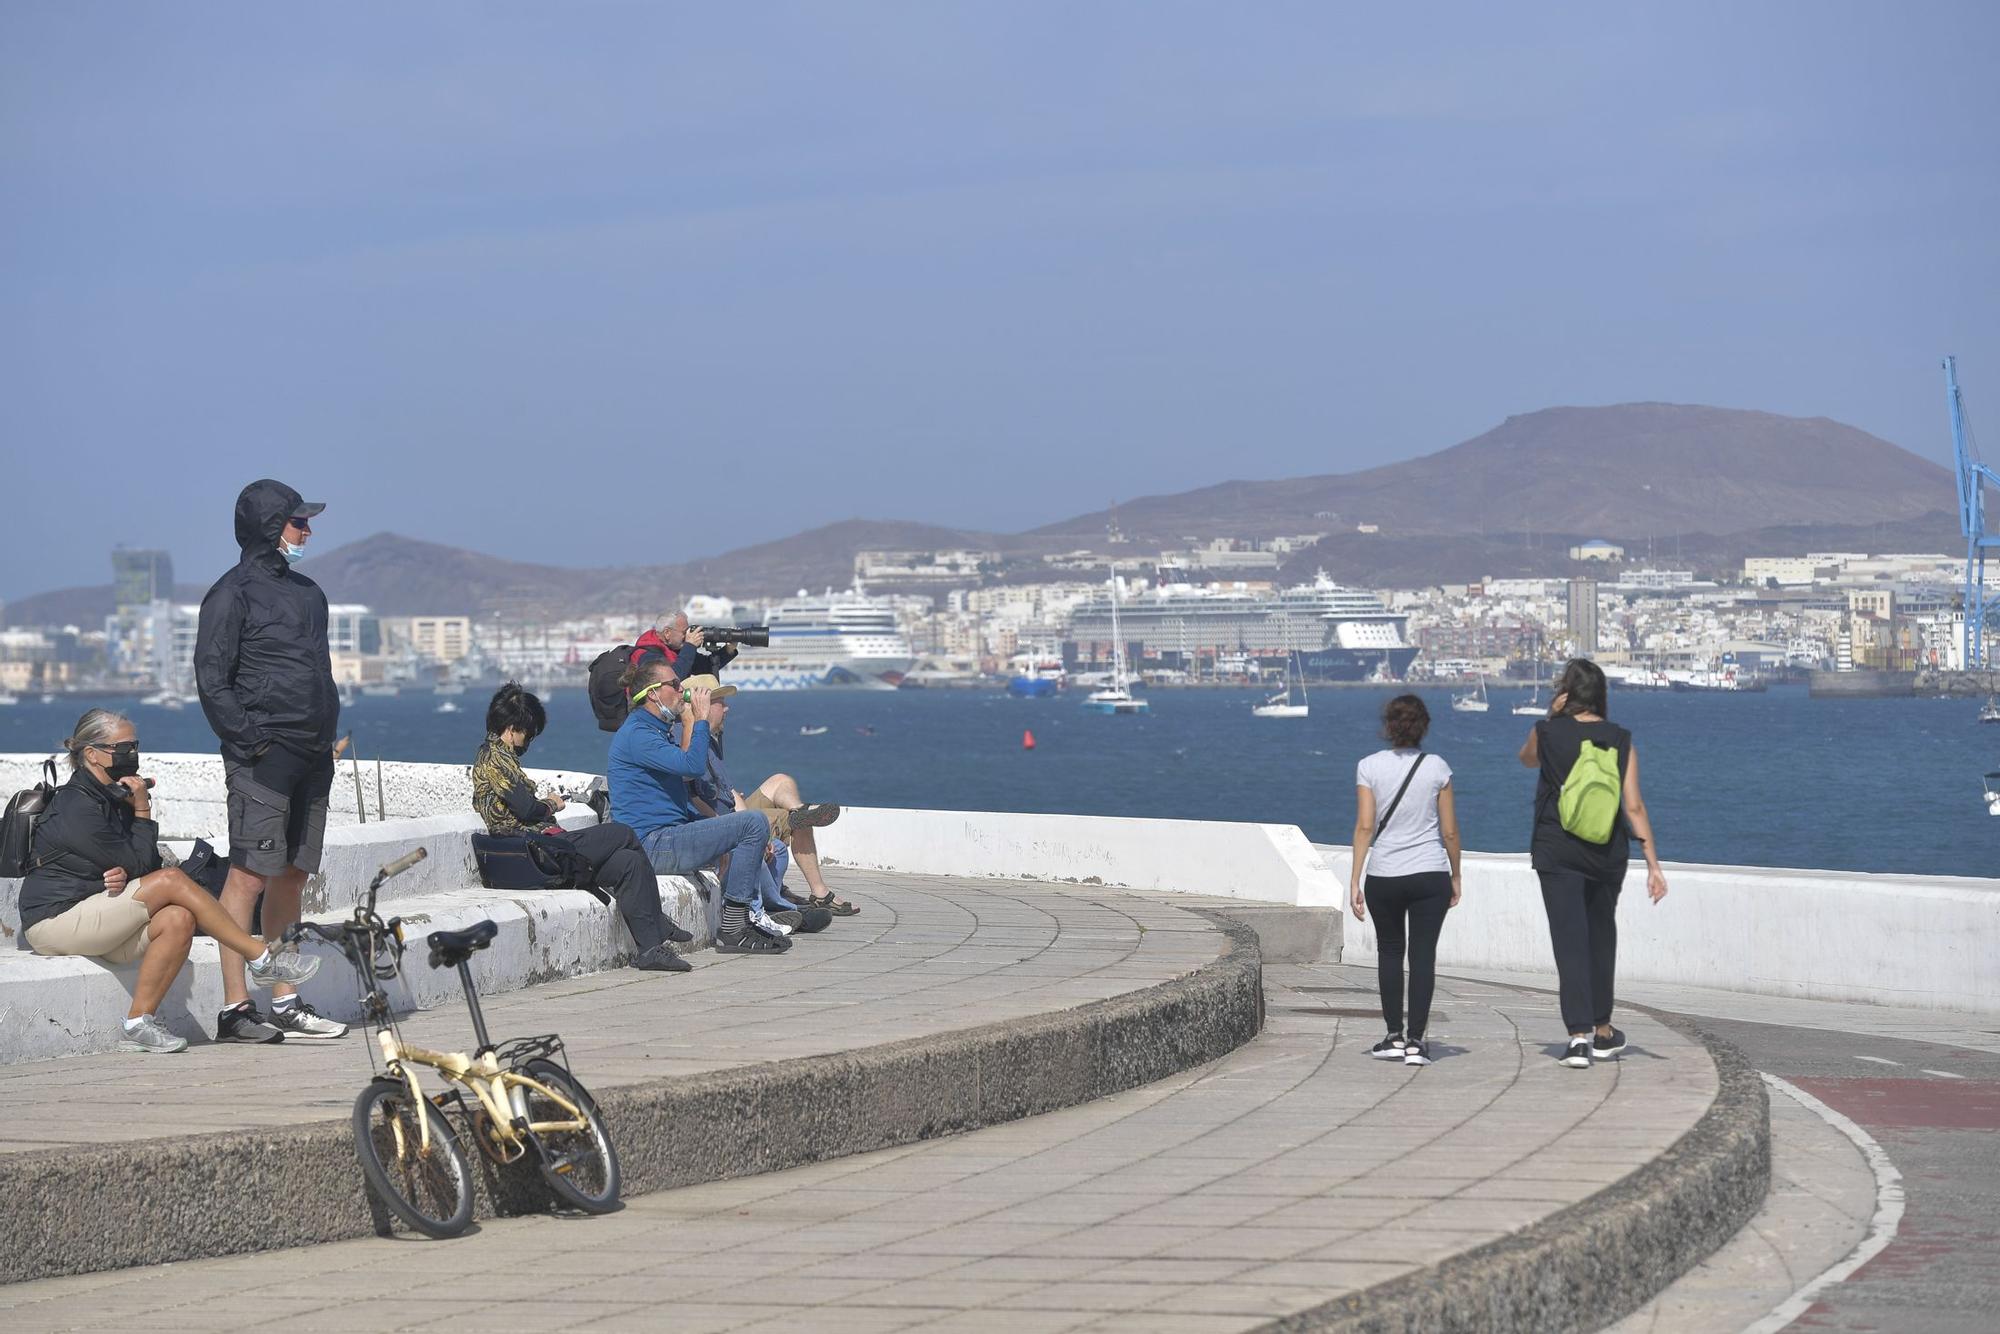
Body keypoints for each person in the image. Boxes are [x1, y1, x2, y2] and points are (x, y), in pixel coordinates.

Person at [19, 710, 321, 1053]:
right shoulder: (77, 803)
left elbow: (135, 863)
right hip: (54, 921)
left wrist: (123, 868)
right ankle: (261, 958)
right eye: (122, 747)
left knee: (179, 919)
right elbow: (142, 864)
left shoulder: (111, 794)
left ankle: (138, 1023)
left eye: (134, 746)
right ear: (91, 754)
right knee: (172, 880)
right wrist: (142, 810)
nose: (131, 754)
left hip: (95, 914)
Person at [193, 479, 348, 1043]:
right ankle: (236, 1009)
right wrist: (251, 741)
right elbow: (212, 679)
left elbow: (316, 669)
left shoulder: (310, 593)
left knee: (293, 873)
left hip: (312, 752)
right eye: (297, 522)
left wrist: (325, 733)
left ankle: (285, 1002)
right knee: (248, 875)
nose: (307, 531)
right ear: (269, 527)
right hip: (263, 756)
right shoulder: (230, 594)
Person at [471, 683, 692, 972]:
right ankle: (658, 920)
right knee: (622, 833)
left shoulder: (501, 759)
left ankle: (650, 949)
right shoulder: (493, 759)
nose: (529, 741)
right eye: (529, 733)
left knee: (629, 862)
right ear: (512, 728)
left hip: (545, 848)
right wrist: (551, 804)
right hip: (537, 852)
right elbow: (526, 809)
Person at [1518, 658, 1670, 1069]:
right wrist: (1653, 864)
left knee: (1570, 942)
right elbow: (1633, 805)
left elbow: (1526, 759)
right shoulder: (1619, 738)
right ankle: (1604, 1030)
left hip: (1557, 849)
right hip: (1607, 852)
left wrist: (1550, 715)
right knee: (1601, 939)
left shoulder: (1548, 732)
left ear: (1567, 691)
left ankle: (1579, 1037)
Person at [608, 658, 789, 954]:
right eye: (675, 685)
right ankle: (735, 928)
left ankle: (756, 913)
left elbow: (681, 785)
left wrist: (718, 838)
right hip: (652, 845)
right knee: (753, 822)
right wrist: (701, 719)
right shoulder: (638, 735)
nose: (682, 691)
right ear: (653, 693)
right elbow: (691, 766)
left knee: (748, 838)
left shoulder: (654, 730)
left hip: (667, 837)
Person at [1347, 695, 1460, 1068]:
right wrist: (1455, 874)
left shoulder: (1369, 766)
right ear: (1423, 726)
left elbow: (1366, 826)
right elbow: (1449, 832)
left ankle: (1393, 1035)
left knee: (1390, 952)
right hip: (1430, 873)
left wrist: (1354, 880)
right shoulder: (1438, 767)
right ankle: (1416, 1042)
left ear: (1389, 726)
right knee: (1423, 955)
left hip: (1385, 874)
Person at [679, 676, 837, 932]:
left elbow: (728, 791)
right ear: (701, 704)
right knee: (756, 845)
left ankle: (797, 814)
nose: (726, 708)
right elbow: (689, 795)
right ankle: (780, 909)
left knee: (777, 843)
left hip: (729, 816)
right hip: (713, 826)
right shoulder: (687, 739)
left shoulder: (710, 740)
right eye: (720, 702)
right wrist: (732, 828)